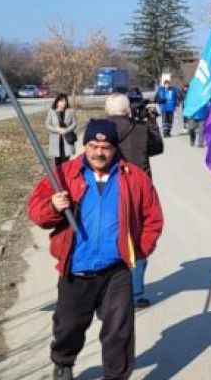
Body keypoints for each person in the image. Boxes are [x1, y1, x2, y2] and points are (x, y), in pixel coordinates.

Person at [26, 118, 164, 380]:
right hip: (76, 268)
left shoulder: (133, 177)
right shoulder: (64, 174)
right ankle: (63, 363)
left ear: (115, 148)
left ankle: (116, 375)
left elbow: (153, 217)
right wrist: (53, 206)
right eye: (93, 146)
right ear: (85, 145)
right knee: (68, 327)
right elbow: (36, 212)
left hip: (116, 270)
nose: (99, 152)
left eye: (106, 147)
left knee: (119, 331)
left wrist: (138, 251)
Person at [104, 94, 165, 309]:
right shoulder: (140, 129)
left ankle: (109, 291)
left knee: (110, 237)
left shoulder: (100, 131)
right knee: (137, 240)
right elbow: (157, 147)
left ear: (107, 110)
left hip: (108, 190)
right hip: (139, 191)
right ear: (128, 110)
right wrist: (151, 121)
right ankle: (135, 293)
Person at [46, 94, 78, 167]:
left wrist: (66, 130)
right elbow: (47, 125)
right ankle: (58, 174)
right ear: (57, 102)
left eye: (65, 101)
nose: (64, 103)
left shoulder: (70, 111)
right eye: (62, 101)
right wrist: (56, 129)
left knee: (66, 161)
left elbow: (75, 123)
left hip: (67, 139)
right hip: (55, 140)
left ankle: (66, 173)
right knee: (57, 161)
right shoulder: (51, 112)